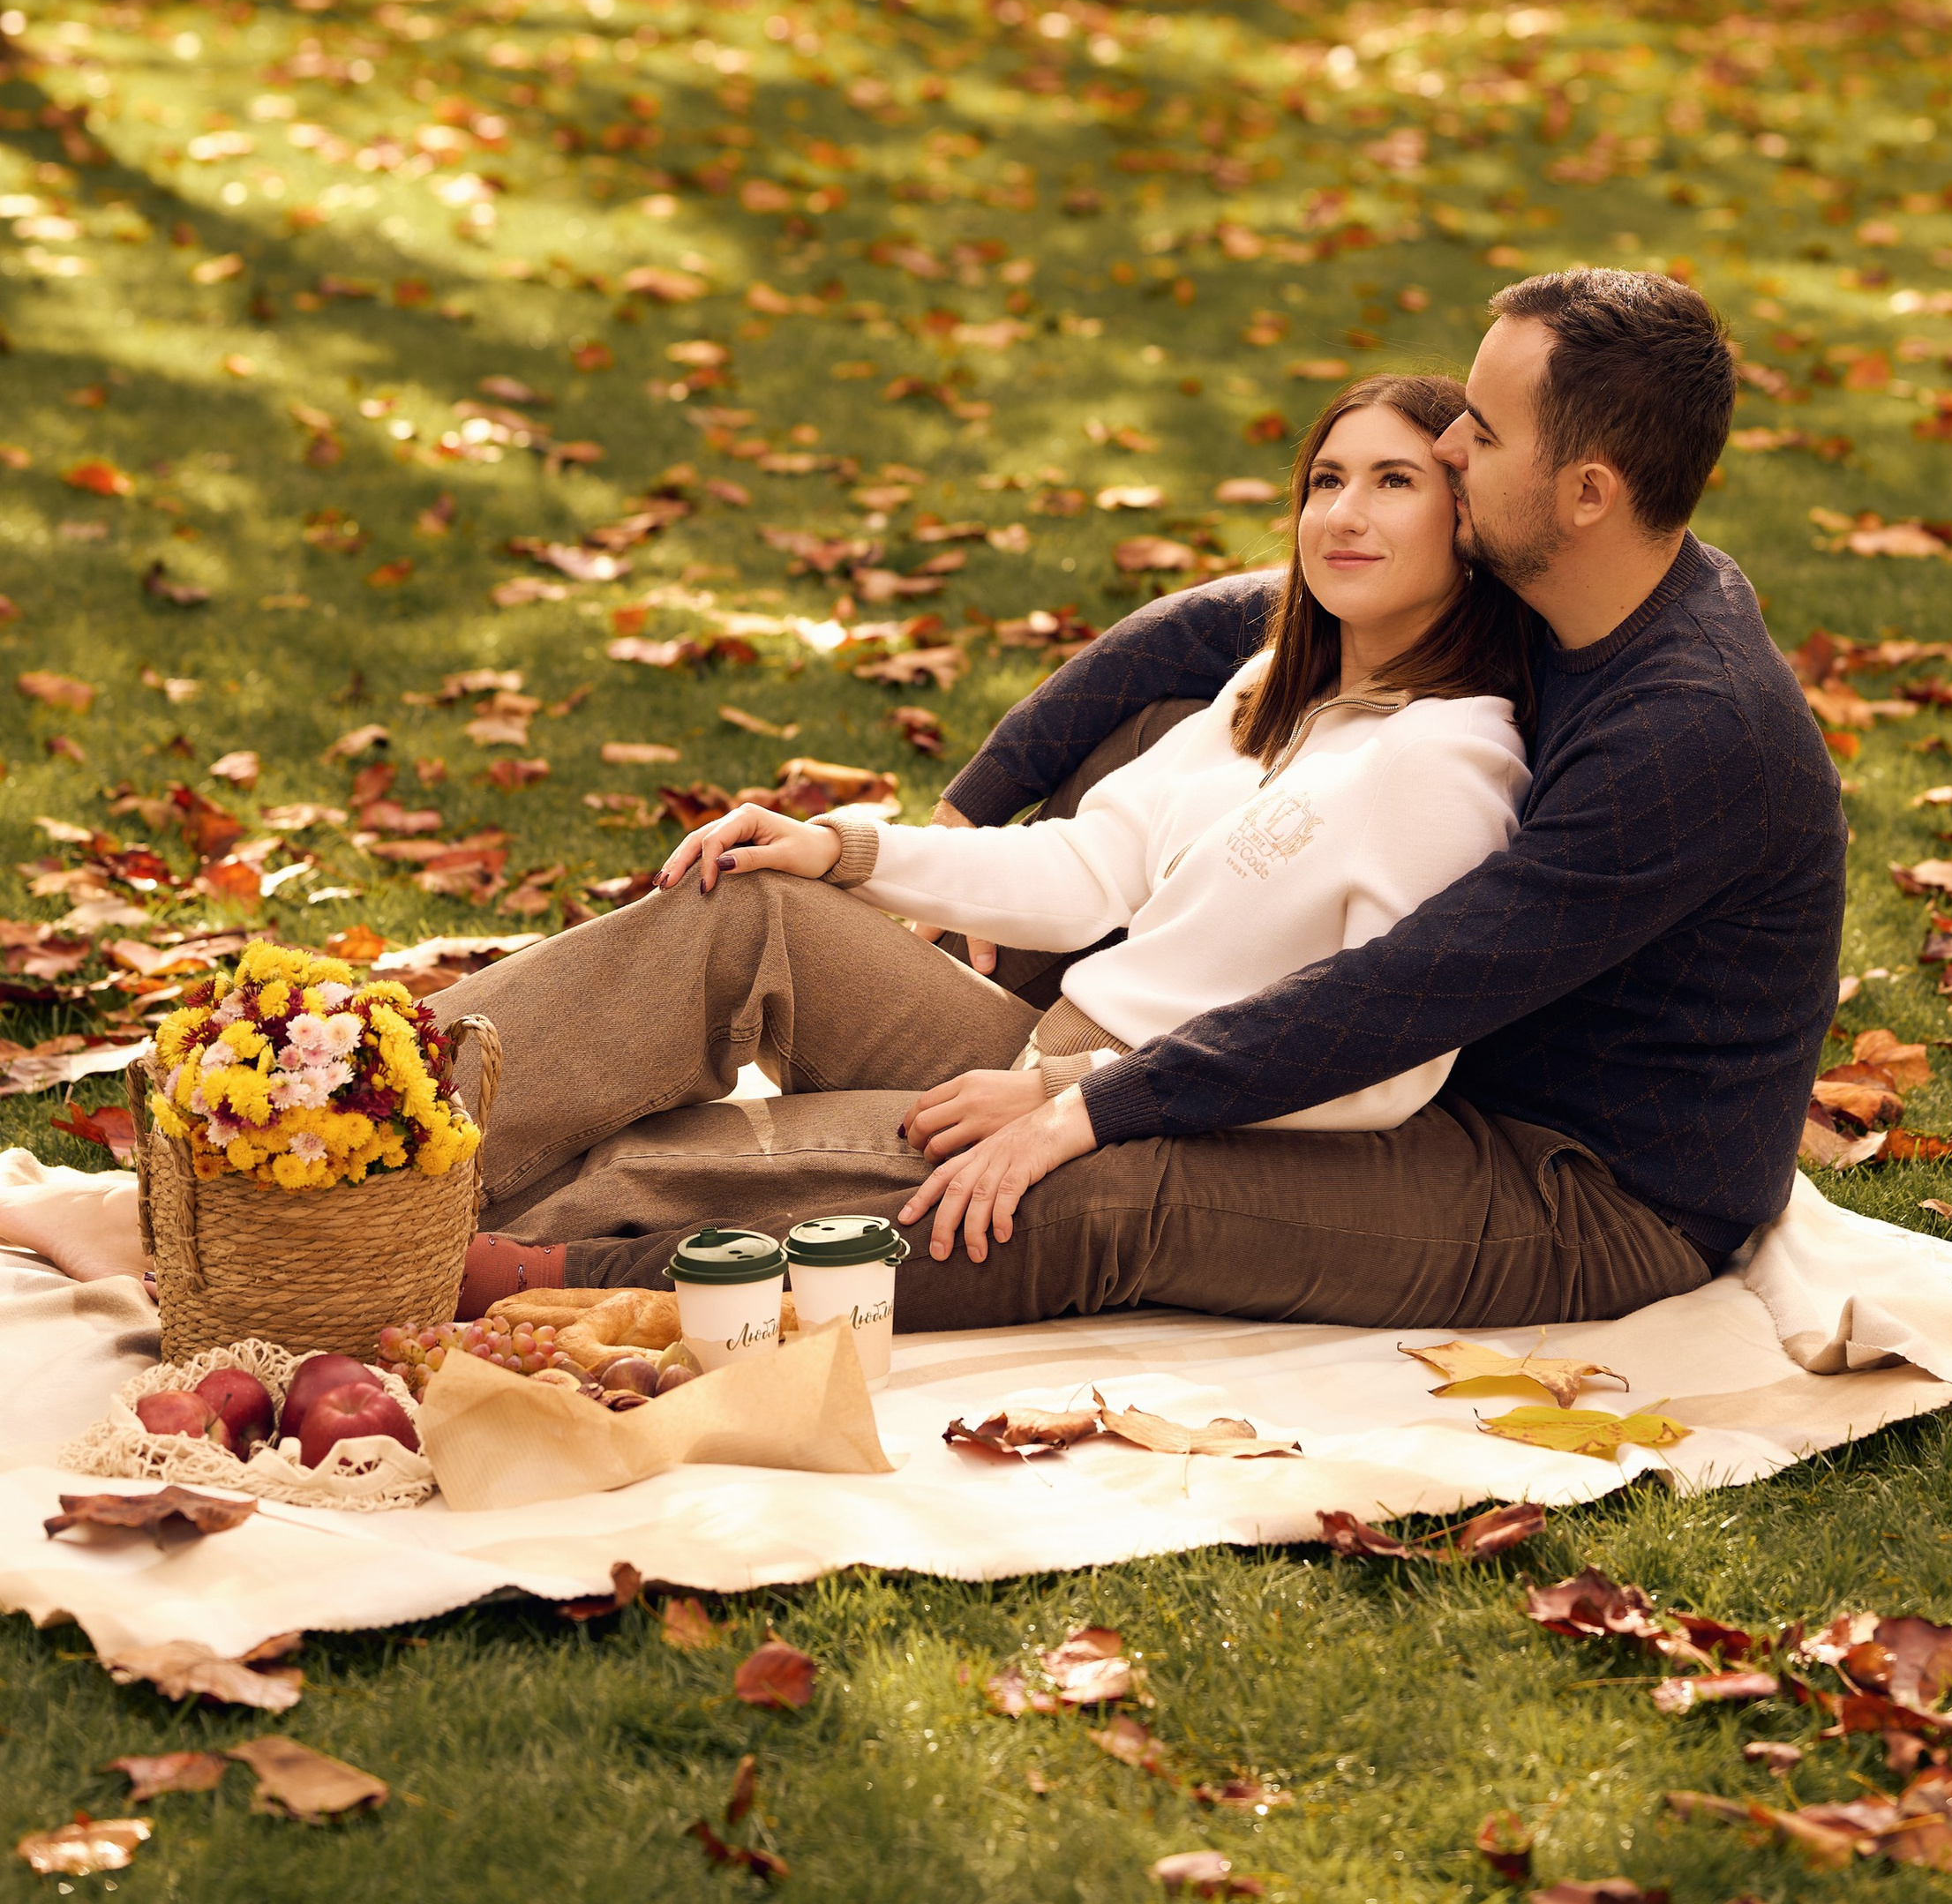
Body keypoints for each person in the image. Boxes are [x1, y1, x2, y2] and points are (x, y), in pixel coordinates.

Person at [440, 266, 1844, 1338]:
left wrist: (1094, 1102)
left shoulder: (1686, 738)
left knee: (1085, 1190)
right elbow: (1220, 625)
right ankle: (379, 1111)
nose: (1454, 446)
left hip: (1574, 1187)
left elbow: (1409, 1000)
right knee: (755, 916)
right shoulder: (1561, 587)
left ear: (1588, 488)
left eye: (1476, 429)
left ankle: (544, 1279)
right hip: (1284, 1063)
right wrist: (899, 831)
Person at [446, 377, 1532, 1314]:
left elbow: (1385, 1071)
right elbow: (1086, 867)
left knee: (644, 1160)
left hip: (1146, 1123)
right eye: (1326, 478)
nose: (1343, 511)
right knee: (747, 900)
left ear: (1469, 524)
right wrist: (844, 850)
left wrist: (1084, 1091)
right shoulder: (1270, 690)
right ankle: (361, 1084)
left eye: (1395, 481)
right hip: (1044, 1052)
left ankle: (403, 1248)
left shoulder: (1447, 764)